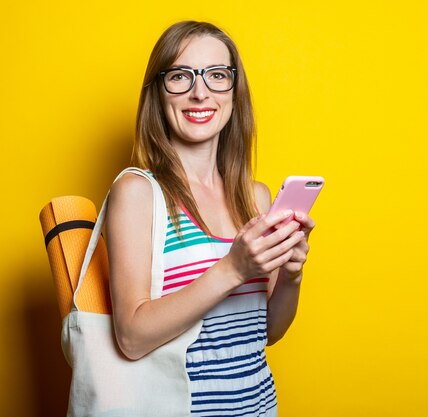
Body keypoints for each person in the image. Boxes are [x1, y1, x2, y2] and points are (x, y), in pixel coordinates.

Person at [106, 20, 314, 416]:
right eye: (181, 77)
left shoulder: (255, 197)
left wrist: (291, 275)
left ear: (235, 93)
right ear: (157, 92)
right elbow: (131, 337)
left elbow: (268, 332)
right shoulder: (137, 193)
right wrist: (234, 268)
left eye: (217, 76)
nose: (199, 92)